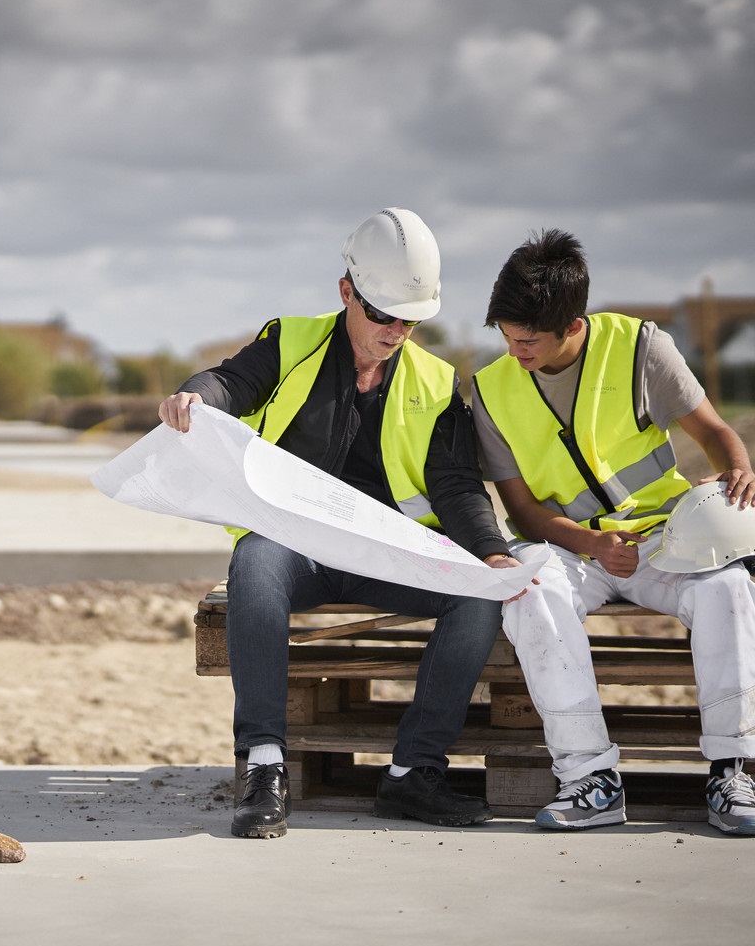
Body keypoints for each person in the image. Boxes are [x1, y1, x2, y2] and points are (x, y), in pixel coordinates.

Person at [158, 207, 521, 838]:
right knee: (254, 563)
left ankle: (414, 774)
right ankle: (265, 767)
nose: (396, 330)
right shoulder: (291, 342)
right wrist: (194, 396)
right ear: (347, 292)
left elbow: (457, 485)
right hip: (297, 550)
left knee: (478, 597)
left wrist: (491, 552)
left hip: (389, 556)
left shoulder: (436, 382)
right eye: (382, 313)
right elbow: (230, 383)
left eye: (410, 318)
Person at [472, 228, 755, 835]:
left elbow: (711, 431)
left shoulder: (641, 348)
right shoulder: (490, 392)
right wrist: (591, 544)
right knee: (529, 593)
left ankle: (733, 770)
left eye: (528, 340)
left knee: (727, 588)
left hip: (666, 538)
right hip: (571, 547)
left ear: (572, 325)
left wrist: (737, 465)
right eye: (506, 335)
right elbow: (520, 509)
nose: (514, 350)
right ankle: (589, 779)